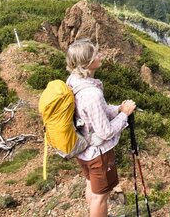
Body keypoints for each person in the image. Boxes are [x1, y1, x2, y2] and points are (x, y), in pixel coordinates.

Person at [65, 39, 136, 217]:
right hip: (98, 153)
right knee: (101, 196)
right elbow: (106, 132)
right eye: (96, 54)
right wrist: (124, 114)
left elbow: (91, 115)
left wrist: (116, 109)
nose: (100, 55)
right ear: (87, 62)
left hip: (83, 150)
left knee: (91, 184)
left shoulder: (73, 81)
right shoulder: (92, 94)